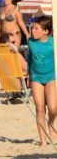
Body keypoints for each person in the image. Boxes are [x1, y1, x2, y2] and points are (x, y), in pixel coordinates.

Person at [27, 16, 57, 147]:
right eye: (32, 28)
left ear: (46, 31)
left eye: (36, 28)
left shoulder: (53, 42)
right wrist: (28, 73)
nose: (33, 30)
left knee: (53, 107)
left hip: (51, 77)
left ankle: (51, 125)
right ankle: (43, 140)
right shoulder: (30, 42)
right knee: (39, 108)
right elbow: (29, 58)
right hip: (36, 77)